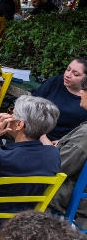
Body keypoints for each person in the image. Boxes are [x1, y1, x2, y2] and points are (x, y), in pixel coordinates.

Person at [0, 96, 62, 229]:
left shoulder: (0, 156)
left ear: (19, 124)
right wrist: (37, 127)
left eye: (12, 112)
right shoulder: (53, 154)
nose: (9, 115)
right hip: (24, 220)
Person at [48, 73, 87, 229]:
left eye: (84, 89)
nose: (81, 92)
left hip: (71, 193)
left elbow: (58, 167)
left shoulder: (85, 134)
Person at [33, 57, 87, 141]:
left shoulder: (85, 99)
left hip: (70, 145)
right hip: (37, 134)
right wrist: (43, 138)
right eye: (68, 69)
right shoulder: (55, 82)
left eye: (75, 74)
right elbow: (32, 106)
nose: (68, 75)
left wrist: (63, 143)